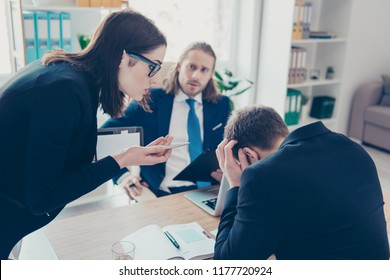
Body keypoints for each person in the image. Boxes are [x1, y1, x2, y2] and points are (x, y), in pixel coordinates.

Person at [0, 9, 174, 259]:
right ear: (123, 57)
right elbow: (42, 198)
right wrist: (122, 160)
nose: (155, 79)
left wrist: (127, 156)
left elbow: (55, 157)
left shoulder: (70, 78)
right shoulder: (64, 91)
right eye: (153, 67)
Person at [214, 105, 389, 260]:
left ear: (248, 155)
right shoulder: (352, 147)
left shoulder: (263, 175)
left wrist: (236, 184)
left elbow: (229, 265)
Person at [102, 42, 231, 197]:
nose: (196, 75)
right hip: (165, 191)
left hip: (209, 190)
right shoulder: (149, 99)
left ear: (211, 74)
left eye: (204, 70)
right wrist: (123, 176)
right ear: (179, 67)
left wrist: (227, 171)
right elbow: (104, 136)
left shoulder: (221, 105)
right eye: (191, 67)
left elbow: (231, 147)